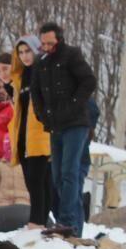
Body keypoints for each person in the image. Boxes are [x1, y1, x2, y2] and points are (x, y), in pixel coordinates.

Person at [32, 22, 96, 236]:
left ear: (58, 40)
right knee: (58, 175)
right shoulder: (40, 63)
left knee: (70, 172)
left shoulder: (71, 55)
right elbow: (36, 93)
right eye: (43, 44)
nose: (47, 47)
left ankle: (66, 220)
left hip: (75, 124)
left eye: (50, 43)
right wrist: (42, 116)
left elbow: (88, 81)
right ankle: (70, 223)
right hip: (54, 126)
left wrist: (74, 105)